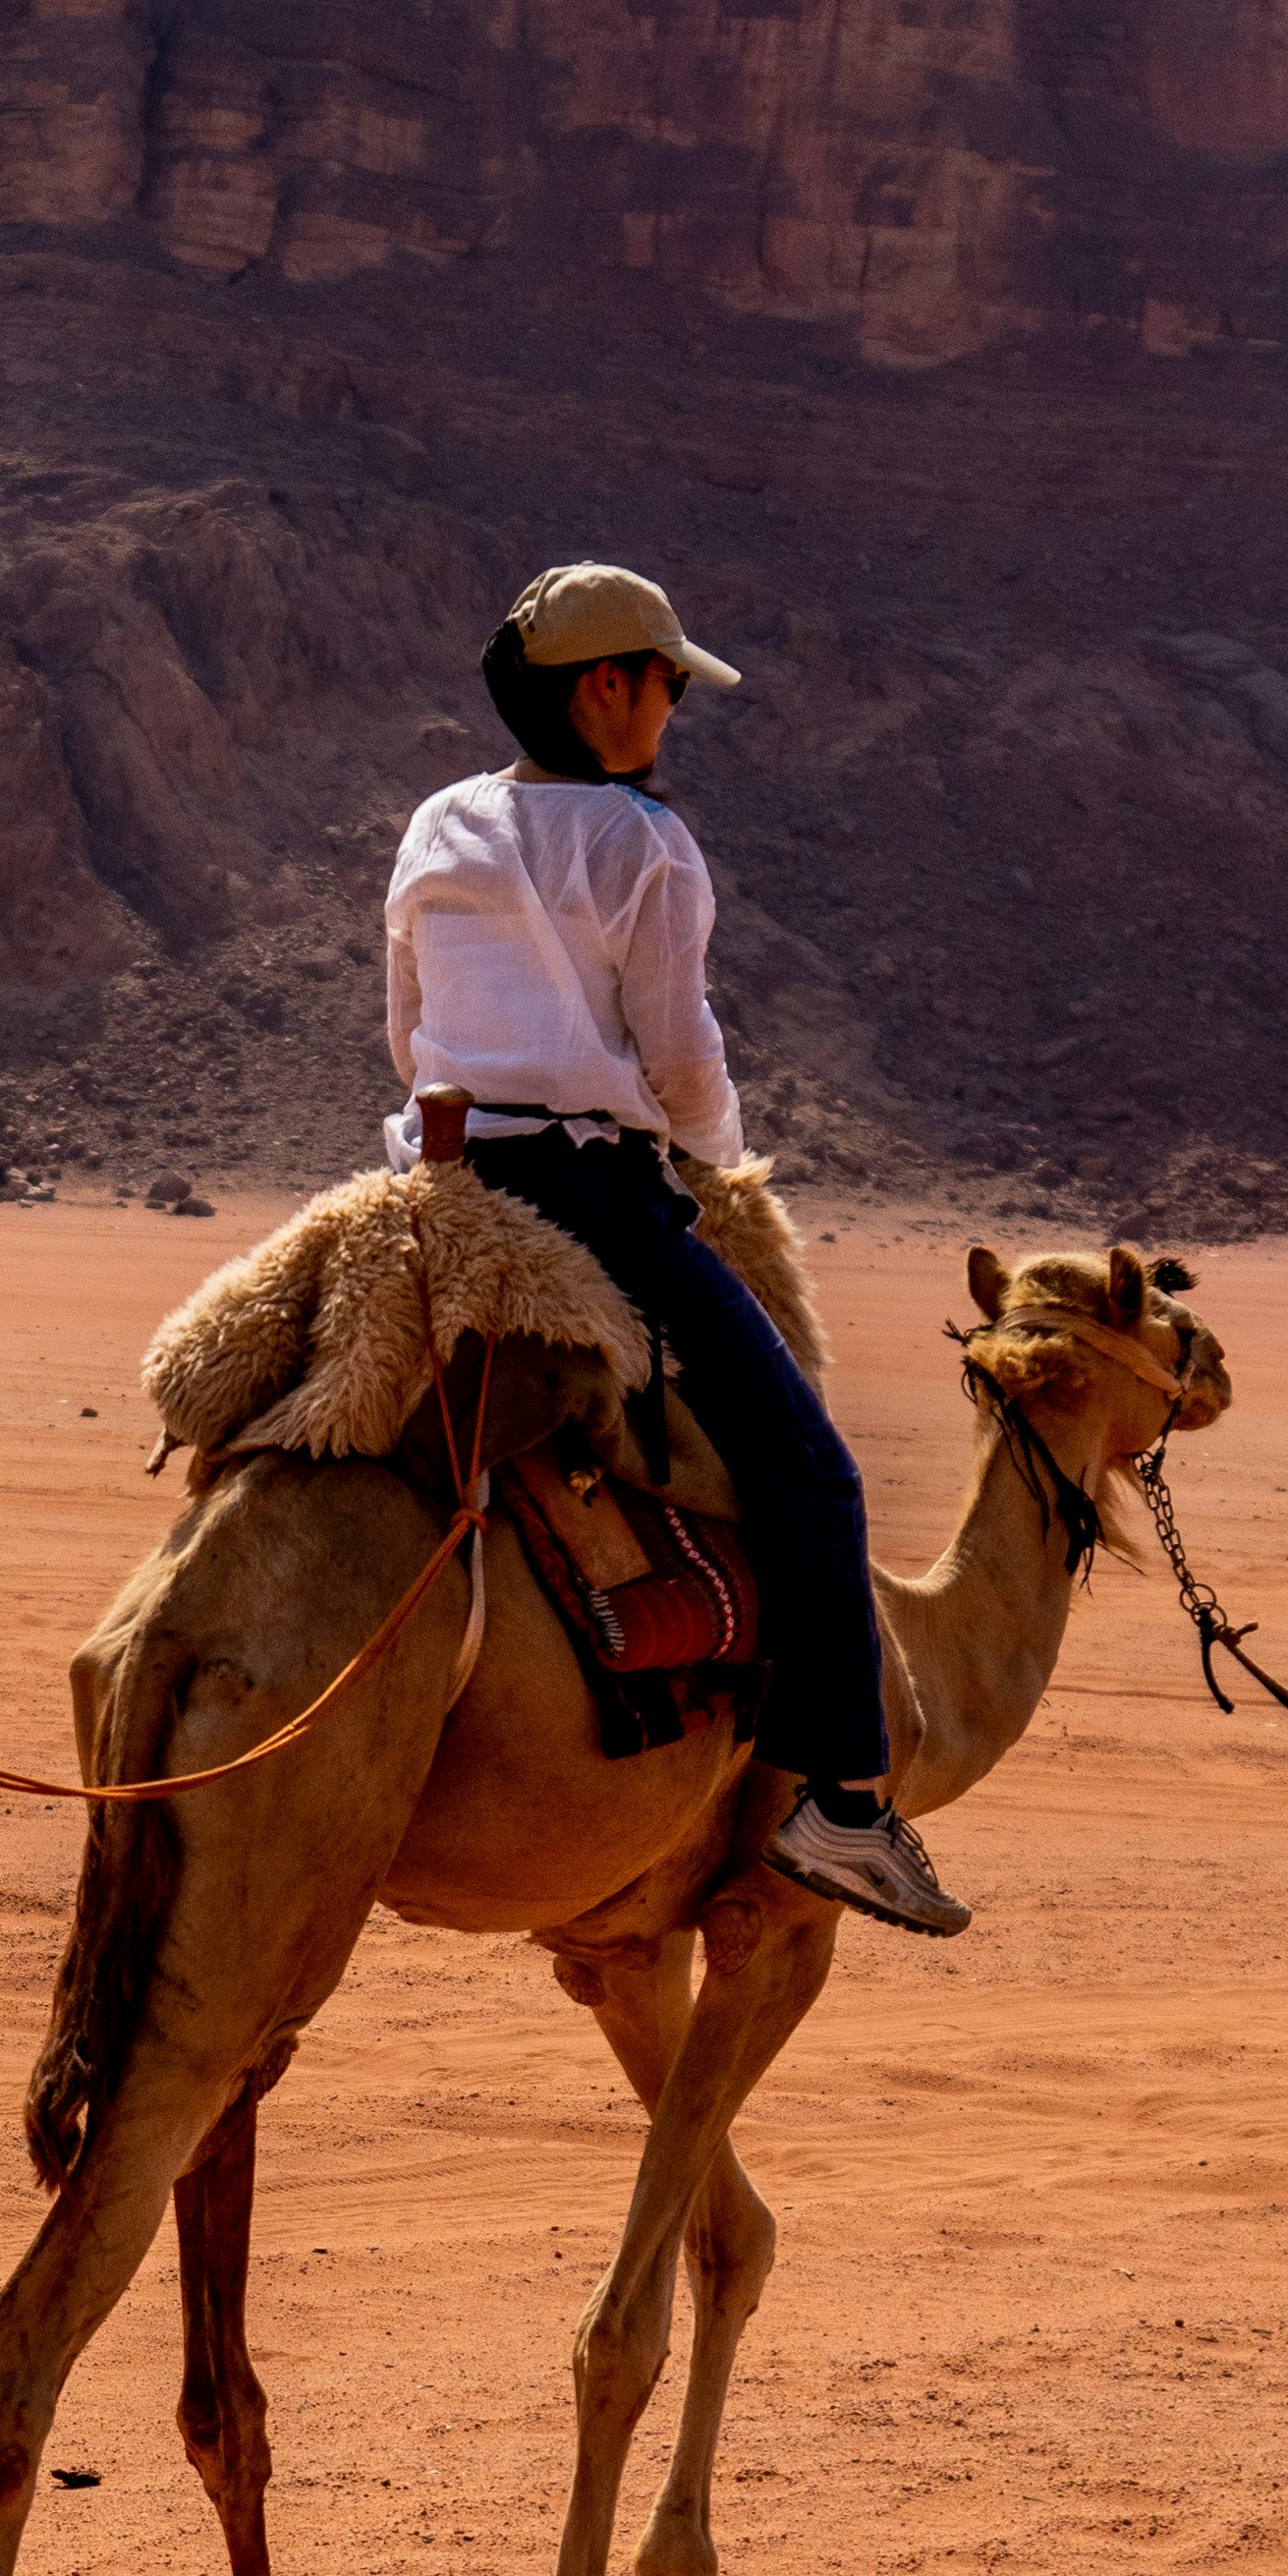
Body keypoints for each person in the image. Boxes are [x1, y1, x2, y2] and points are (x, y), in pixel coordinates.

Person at [378, 564, 961, 1936]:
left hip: (435, 1185)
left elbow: (407, 1029)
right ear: (607, 688)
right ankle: (843, 1802)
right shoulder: (643, 843)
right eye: (666, 685)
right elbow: (683, 1054)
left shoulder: (438, 820)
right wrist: (711, 1156)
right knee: (811, 1472)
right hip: (590, 1197)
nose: (672, 711)